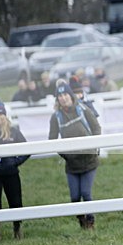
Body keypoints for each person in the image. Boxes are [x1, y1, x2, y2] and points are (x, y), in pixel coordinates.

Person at [48, 82, 101, 229]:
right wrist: (65, 154)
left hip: (89, 160)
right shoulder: (56, 117)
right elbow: (52, 140)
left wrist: (94, 146)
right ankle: (81, 221)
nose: (63, 98)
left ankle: (90, 222)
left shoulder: (83, 109)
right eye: (60, 96)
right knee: (75, 197)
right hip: (71, 163)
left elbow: (96, 128)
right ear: (57, 99)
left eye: (65, 95)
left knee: (86, 192)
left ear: (70, 95)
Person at [0, 99, 29, 240]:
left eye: (0, 114)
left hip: (10, 172)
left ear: (5, 114)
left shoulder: (13, 131)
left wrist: (15, 162)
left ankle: (18, 231)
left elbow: (27, 149)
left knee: (16, 202)